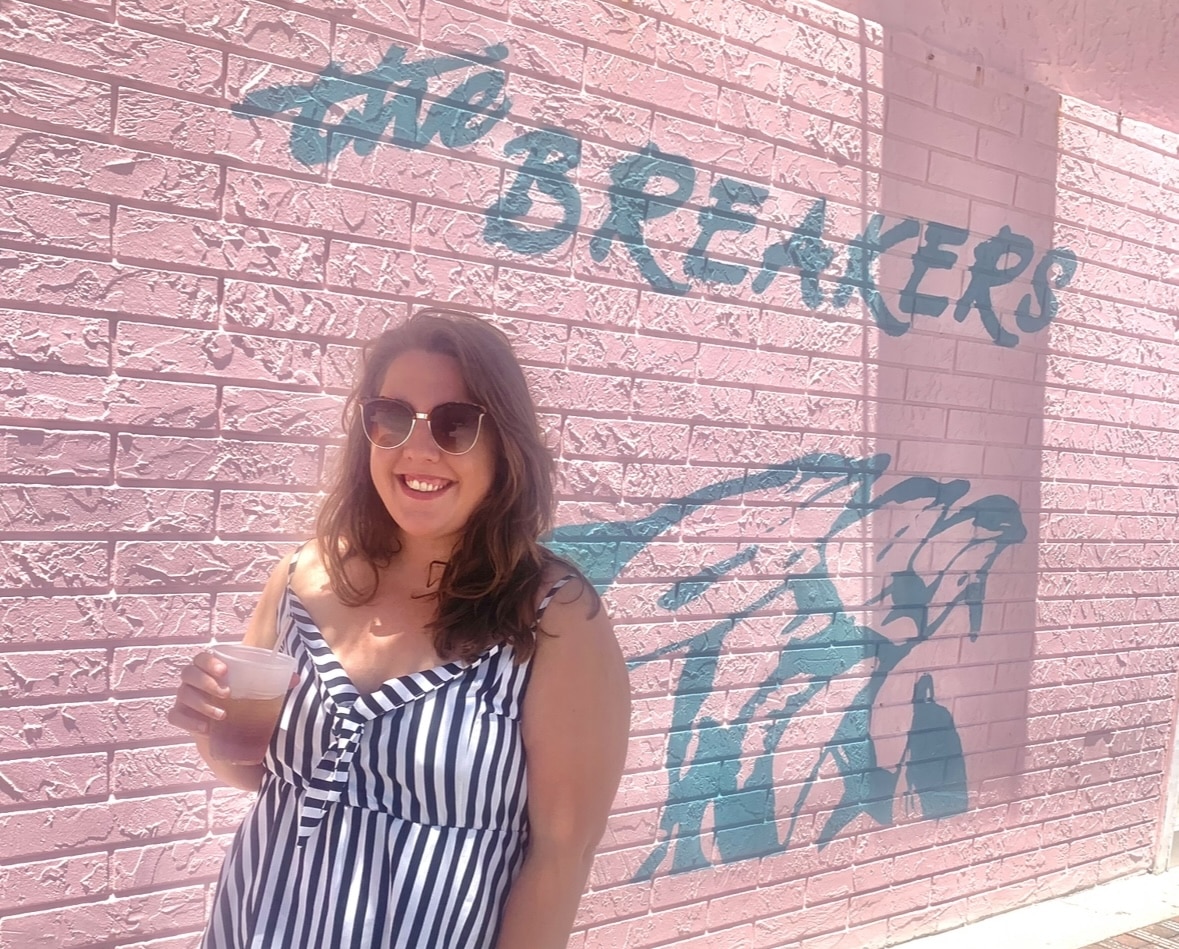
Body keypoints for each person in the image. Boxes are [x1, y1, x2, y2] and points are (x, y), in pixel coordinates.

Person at [169, 309, 631, 949]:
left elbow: (561, 857)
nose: (418, 449)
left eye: (455, 423)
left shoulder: (553, 616)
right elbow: (261, 774)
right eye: (391, 417)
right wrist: (210, 724)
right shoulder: (303, 577)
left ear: (504, 443)